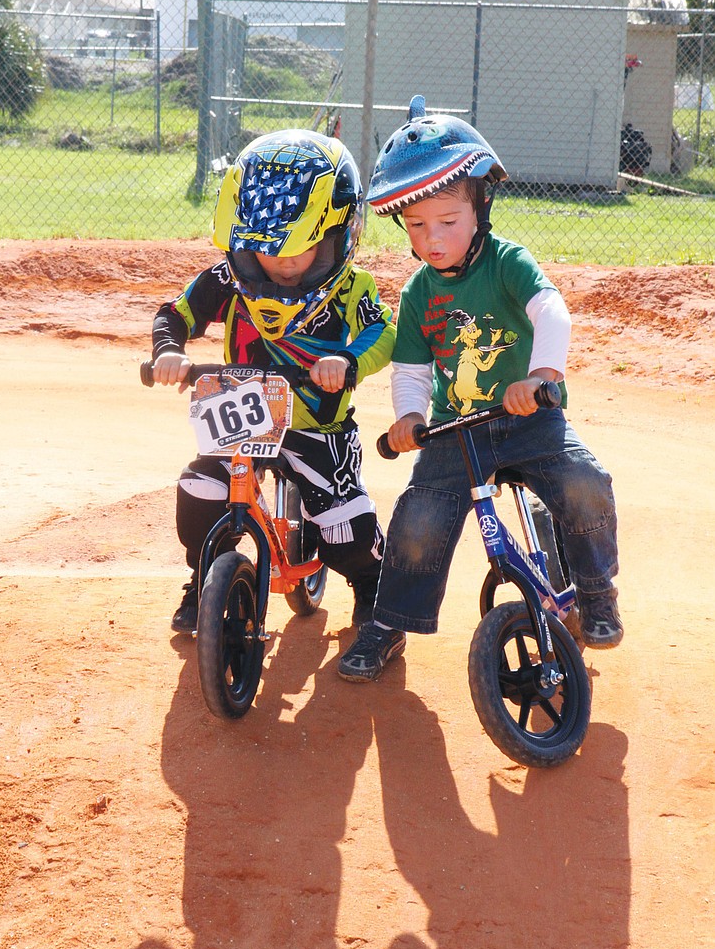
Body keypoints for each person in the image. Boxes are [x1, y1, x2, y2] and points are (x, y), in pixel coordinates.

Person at [338, 97, 622, 683]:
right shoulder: (419, 293)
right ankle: (389, 623)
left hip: (529, 420)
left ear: (480, 207)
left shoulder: (507, 262)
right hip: (456, 430)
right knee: (417, 520)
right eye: (417, 226)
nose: (432, 238)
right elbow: (413, 368)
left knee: (584, 482)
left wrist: (542, 377)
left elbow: (553, 313)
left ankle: (596, 591)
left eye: (447, 221)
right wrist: (409, 417)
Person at [151, 128, 396, 638]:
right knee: (199, 492)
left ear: (336, 236)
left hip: (317, 427)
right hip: (242, 419)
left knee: (343, 531)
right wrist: (169, 352)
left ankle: (374, 592)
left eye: (300, 247)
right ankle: (202, 578)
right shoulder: (227, 279)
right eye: (267, 249)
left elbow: (382, 330)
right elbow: (174, 315)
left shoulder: (353, 286)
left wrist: (348, 361)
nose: (283, 262)